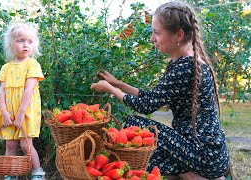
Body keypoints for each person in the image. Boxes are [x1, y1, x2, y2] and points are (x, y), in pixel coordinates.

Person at [91, 1, 230, 179]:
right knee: (146, 160)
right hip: (204, 153)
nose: (152, 38)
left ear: (178, 35)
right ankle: (189, 173)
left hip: (204, 155)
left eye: (157, 33)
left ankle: (193, 173)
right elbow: (152, 97)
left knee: (135, 123)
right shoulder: (184, 63)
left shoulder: (185, 67)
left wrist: (110, 89)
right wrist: (119, 84)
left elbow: (145, 106)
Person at [0, 22, 45, 180]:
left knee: (25, 144)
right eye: (20, 41)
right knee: (10, 144)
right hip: (8, 110)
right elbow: (2, 91)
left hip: (25, 110)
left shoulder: (32, 64)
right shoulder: (6, 67)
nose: (25, 45)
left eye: (29, 41)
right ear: (11, 44)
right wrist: (5, 112)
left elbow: (29, 90)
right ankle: (11, 173)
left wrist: (21, 114)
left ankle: (37, 172)